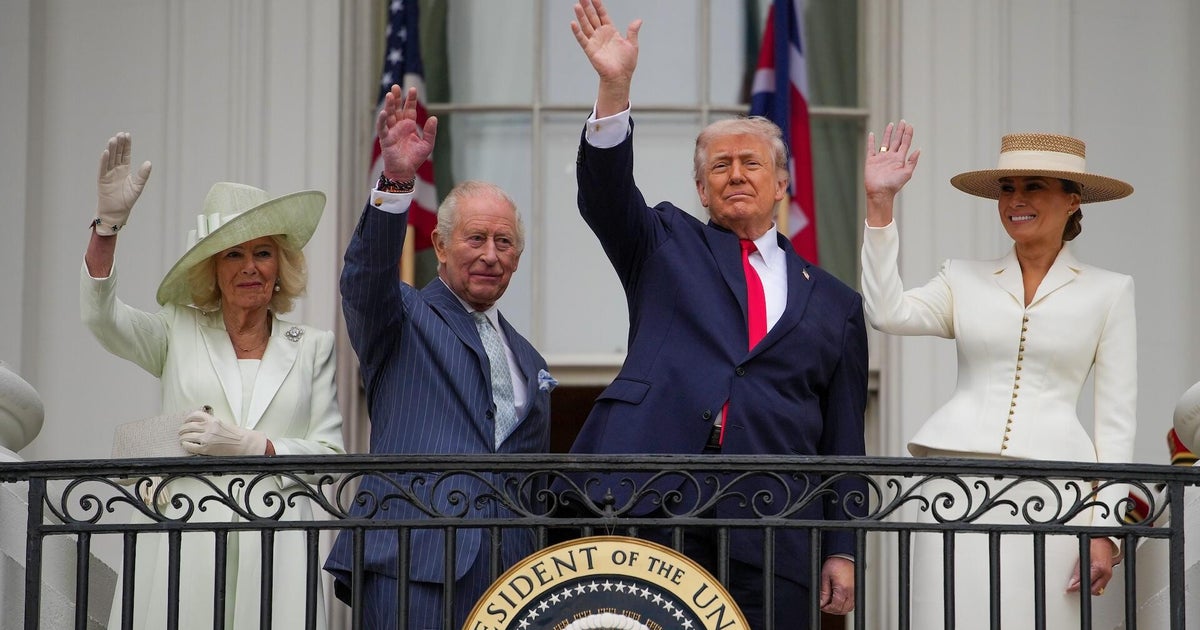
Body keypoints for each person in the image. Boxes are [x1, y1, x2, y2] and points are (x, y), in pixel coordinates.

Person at [562, 1, 869, 627]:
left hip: (776, 520)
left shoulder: (835, 302)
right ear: (702, 190)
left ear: (782, 184)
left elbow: (843, 438)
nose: (735, 175)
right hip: (654, 498)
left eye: (751, 163)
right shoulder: (664, 243)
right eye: (719, 167)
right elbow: (605, 195)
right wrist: (614, 89)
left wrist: (842, 546)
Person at [860, 122, 1136, 627]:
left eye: (1034, 186)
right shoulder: (961, 277)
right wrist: (880, 205)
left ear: (1073, 200)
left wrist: (1105, 530)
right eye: (1007, 188)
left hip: (1058, 491)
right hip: (954, 484)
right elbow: (886, 312)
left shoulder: (1110, 291)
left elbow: (1116, 422)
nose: (1016, 200)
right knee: (946, 616)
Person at [80, 133, 345, 629]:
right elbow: (103, 319)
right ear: (212, 270)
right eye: (232, 255)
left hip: (277, 544)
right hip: (185, 535)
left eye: (263, 252)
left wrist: (256, 446)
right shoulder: (176, 330)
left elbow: (330, 460)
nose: (250, 267)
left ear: (280, 266)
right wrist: (107, 229)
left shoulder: (313, 346)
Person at [323, 85, 553, 629]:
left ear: (518, 258)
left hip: (513, 578)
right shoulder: (401, 316)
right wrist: (396, 181)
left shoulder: (528, 357)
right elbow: (365, 276)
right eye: (476, 239)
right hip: (414, 560)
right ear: (442, 246)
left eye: (504, 243)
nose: (491, 255)